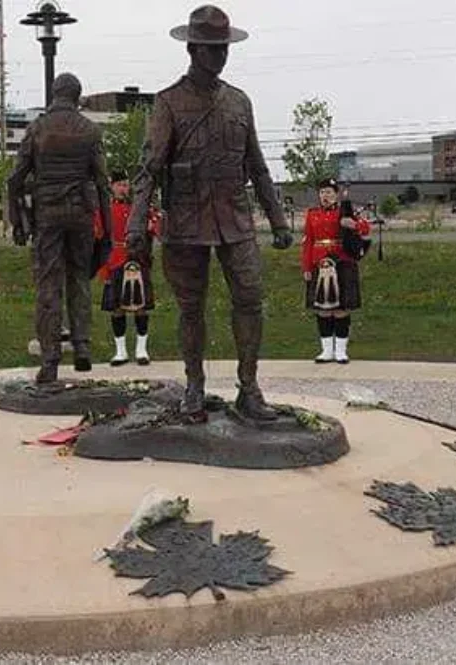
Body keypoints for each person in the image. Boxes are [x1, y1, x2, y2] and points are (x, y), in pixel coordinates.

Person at [126, 5, 294, 422]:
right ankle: (195, 386)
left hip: (235, 220)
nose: (221, 56)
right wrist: (135, 224)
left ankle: (249, 390)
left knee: (251, 299)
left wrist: (277, 219)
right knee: (190, 308)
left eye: (224, 48)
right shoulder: (168, 103)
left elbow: (256, 165)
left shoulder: (239, 102)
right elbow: (149, 169)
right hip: (186, 221)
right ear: (194, 49)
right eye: (213, 49)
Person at [7, 72, 114, 384]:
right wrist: (107, 229)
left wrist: (17, 220)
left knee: (48, 286)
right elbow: (102, 182)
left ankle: (50, 359)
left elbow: (15, 179)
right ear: (77, 96)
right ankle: (82, 346)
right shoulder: (90, 130)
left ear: (55, 94)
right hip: (81, 214)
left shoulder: (38, 128)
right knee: (79, 279)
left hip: (48, 215)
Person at [302, 177, 371, 364]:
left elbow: (366, 229)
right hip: (320, 264)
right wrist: (307, 267)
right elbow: (308, 241)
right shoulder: (312, 214)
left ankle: (341, 351)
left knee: (341, 309)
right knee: (323, 310)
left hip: (342, 263)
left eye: (329, 193)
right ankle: (326, 351)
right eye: (323, 192)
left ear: (336, 195)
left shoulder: (345, 212)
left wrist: (354, 225)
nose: (326, 196)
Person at [95, 171, 159, 367]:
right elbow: (99, 237)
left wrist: (151, 225)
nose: (124, 188)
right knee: (117, 308)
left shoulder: (139, 208)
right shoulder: (104, 210)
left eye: (126, 184)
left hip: (137, 259)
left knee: (140, 307)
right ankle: (120, 352)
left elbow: (155, 225)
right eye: (120, 185)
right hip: (114, 259)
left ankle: (141, 350)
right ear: (112, 186)